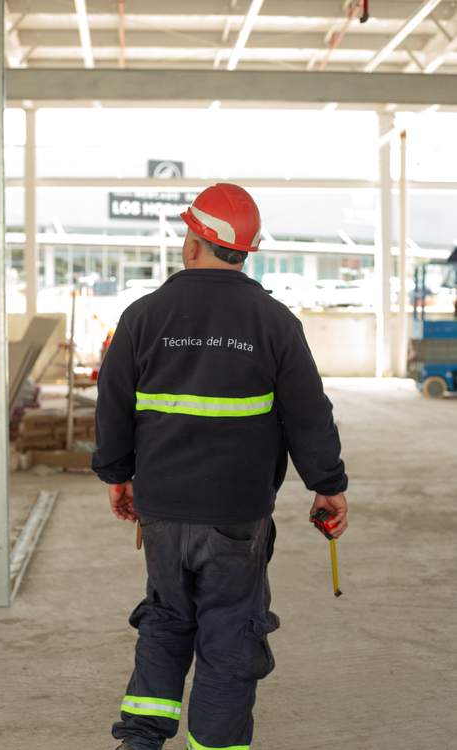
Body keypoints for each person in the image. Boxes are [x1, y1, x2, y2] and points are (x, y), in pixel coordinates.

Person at [92, 183, 348, 750]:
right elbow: (309, 413)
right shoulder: (274, 322)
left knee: (166, 618)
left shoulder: (143, 316)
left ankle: (140, 741)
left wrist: (117, 475)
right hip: (237, 512)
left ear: (193, 243)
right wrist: (327, 485)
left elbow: (112, 406)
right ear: (245, 252)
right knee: (231, 630)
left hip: (162, 507)